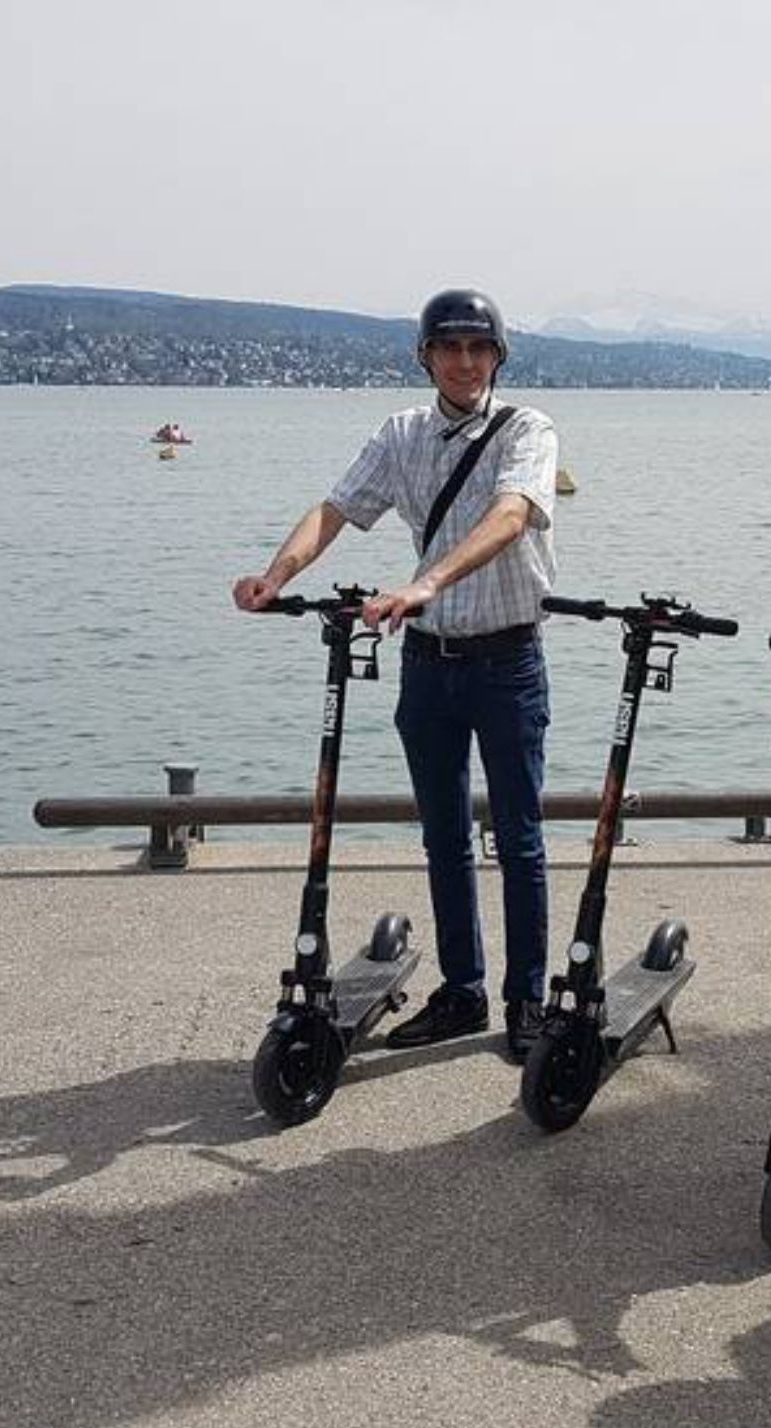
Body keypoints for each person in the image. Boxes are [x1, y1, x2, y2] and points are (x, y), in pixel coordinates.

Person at [232, 289, 559, 1059]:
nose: (466, 362)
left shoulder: (528, 429)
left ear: (499, 357)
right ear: (425, 356)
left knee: (519, 839)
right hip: (428, 663)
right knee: (443, 836)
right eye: (450, 347)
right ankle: (464, 991)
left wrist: (425, 583)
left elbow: (511, 515)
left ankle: (528, 1001)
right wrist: (274, 575)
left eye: (480, 348)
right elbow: (336, 508)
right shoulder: (402, 434)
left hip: (507, 657)